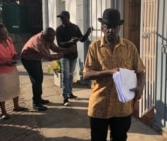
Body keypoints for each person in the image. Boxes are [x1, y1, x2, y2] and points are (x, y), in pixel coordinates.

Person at [82, 8, 146, 141]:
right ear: (102, 28)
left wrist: (140, 88)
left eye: (114, 27)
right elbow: (86, 74)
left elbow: (140, 71)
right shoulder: (94, 47)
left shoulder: (130, 47)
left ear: (119, 28)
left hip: (122, 108)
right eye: (107, 27)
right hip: (99, 105)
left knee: (120, 138)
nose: (111, 30)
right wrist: (108, 72)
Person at [21, 27, 76, 111]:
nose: (53, 39)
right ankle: (36, 103)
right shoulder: (38, 42)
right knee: (36, 80)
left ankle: (39, 99)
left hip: (36, 58)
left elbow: (55, 49)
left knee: (40, 78)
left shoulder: (48, 39)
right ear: (46, 35)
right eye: (52, 37)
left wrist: (68, 50)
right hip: (28, 60)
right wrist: (63, 54)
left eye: (54, 37)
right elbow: (49, 57)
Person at [0, 23, 28, 120]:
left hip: (12, 69)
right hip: (0, 74)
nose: (6, 35)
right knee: (1, 92)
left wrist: (15, 55)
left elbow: (13, 51)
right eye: (3, 34)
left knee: (15, 88)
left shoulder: (9, 40)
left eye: (6, 32)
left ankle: (16, 106)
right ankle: (3, 112)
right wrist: (5, 63)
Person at [56, 10, 93, 106]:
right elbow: (59, 43)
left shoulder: (74, 27)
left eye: (63, 18)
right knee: (65, 76)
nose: (61, 20)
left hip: (73, 55)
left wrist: (87, 33)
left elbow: (82, 39)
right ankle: (65, 98)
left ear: (68, 18)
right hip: (64, 56)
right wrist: (70, 42)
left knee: (71, 75)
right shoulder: (59, 29)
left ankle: (70, 93)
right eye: (60, 18)